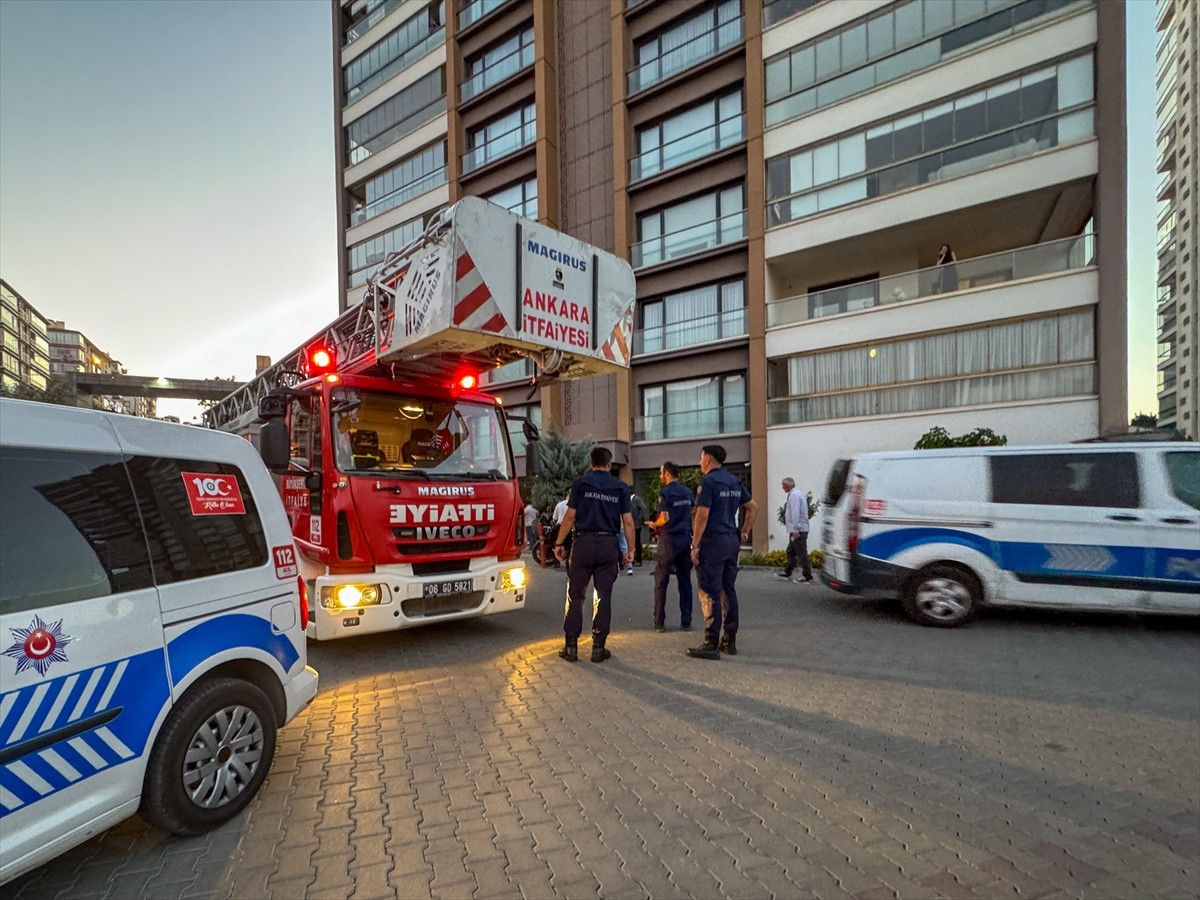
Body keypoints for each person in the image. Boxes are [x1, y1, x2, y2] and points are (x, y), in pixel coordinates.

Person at [553, 447, 635, 663]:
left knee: (575, 595)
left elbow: (570, 517)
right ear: (609, 464)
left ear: (591, 464)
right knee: (604, 595)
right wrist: (631, 550)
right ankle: (598, 648)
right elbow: (627, 521)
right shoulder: (620, 488)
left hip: (583, 544)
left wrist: (559, 543)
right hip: (607, 545)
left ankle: (571, 646)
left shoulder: (581, 484)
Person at [688, 445, 757, 660]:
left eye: (701, 458)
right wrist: (745, 531)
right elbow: (753, 506)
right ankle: (729, 639)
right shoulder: (734, 481)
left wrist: (695, 544)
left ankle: (710, 642)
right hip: (731, 541)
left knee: (710, 590)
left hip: (712, 542)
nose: (700, 462)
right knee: (728, 589)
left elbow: (702, 515)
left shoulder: (708, 482)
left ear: (707, 459)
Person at [649, 461, 694, 632]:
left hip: (669, 541)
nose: (660, 476)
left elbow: (664, 518)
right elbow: (692, 511)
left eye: (661, 473)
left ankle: (659, 622)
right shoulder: (687, 491)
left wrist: (655, 523)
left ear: (667, 473)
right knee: (685, 581)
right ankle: (686, 620)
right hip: (685, 539)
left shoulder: (665, 492)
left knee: (661, 581)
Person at [775, 477, 813, 583]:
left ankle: (807, 575)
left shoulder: (794, 495)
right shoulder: (796, 493)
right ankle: (787, 571)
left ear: (789, 484)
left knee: (801, 553)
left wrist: (796, 529)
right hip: (797, 529)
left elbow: (795, 512)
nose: (782, 487)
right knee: (791, 551)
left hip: (798, 530)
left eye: (784, 484)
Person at [630, 491, 648, 567]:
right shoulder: (629, 500)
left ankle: (639, 560)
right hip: (631, 524)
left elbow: (643, 508)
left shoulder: (636, 499)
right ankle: (633, 559)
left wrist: (638, 519)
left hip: (636, 524)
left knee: (637, 541)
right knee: (631, 542)